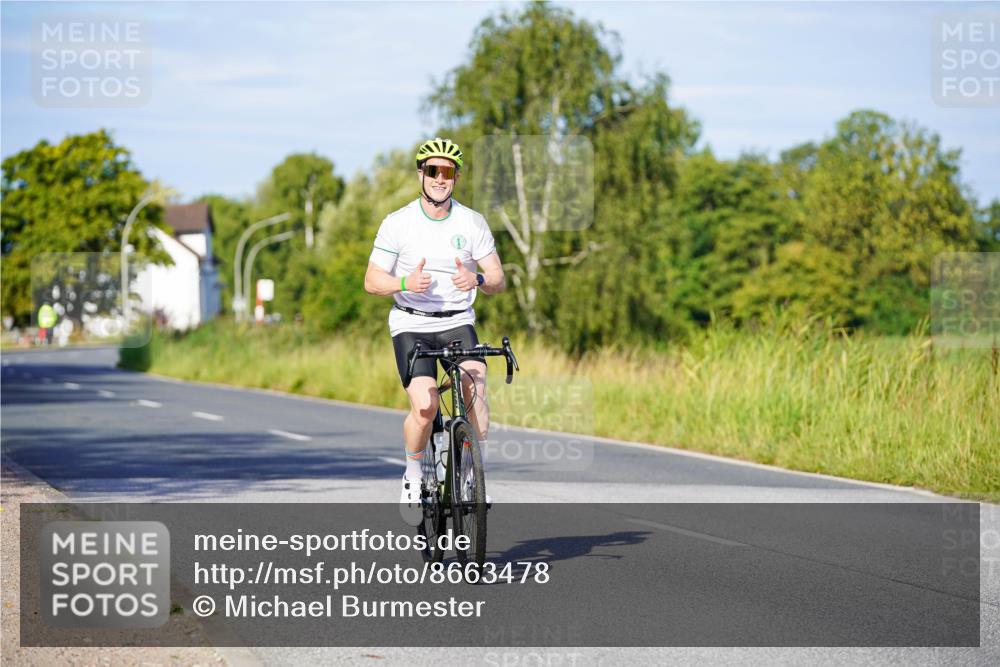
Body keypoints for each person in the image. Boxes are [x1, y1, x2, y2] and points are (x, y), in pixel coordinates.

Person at [364, 138, 505, 525]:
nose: (440, 179)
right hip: (411, 321)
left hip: (457, 320)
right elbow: (372, 280)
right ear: (420, 175)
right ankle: (412, 475)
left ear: (456, 177)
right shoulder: (399, 222)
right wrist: (405, 282)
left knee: (476, 393)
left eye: (447, 172)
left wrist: (476, 277)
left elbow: (497, 278)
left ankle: (471, 476)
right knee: (425, 406)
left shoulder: (471, 222)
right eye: (433, 171)